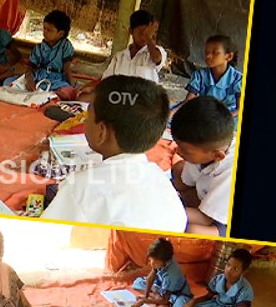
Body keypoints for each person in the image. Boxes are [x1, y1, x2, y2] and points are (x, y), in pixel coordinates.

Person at [40, 76, 186, 231]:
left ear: (102, 132)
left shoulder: (81, 186)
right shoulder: (161, 180)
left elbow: (45, 235)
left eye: (88, 115)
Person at [170, 96, 235, 236]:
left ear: (217, 156)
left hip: (223, 218)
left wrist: (165, 210)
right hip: (208, 194)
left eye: (185, 150)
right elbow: (183, 181)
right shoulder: (208, 149)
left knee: (191, 230)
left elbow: (205, 220)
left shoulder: (230, 174)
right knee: (177, 170)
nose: (177, 151)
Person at [173, 248, 255, 307]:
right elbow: (208, 297)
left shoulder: (245, 290)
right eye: (228, 265)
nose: (229, 270)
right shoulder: (219, 279)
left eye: (235, 269)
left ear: (243, 272)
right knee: (180, 302)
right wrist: (193, 302)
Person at [10, 10, 77, 99]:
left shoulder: (65, 46)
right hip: (39, 77)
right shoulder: (39, 47)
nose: (45, 32)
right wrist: (29, 80)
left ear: (60, 34)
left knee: (67, 92)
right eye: (44, 28)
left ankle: (49, 94)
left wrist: (71, 86)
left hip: (57, 80)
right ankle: (47, 94)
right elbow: (30, 67)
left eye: (49, 30)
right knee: (8, 82)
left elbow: (66, 69)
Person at [100, 9, 167, 83]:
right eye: (141, 33)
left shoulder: (155, 53)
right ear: (131, 31)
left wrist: (148, 38)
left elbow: (156, 58)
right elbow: (105, 81)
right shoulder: (119, 57)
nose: (143, 37)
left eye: (147, 33)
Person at [184, 35, 243, 113]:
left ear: (229, 56)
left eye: (215, 53)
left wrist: (221, 120)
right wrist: (174, 112)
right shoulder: (200, 75)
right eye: (206, 52)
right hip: (206, 112)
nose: (208, 56)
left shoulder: (238, 79)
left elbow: (239, 109)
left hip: (229, 115)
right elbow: (188, 101)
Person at [131, 238, 192, 307]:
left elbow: (165, 300)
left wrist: (143, 301)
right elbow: (150, 278)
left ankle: (157, 298)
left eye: (155, 262)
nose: (152, 264)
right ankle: (155, 296)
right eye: (150, 260)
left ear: (166, 261)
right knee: (138, 282)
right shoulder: (164, 256)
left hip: (175, 294)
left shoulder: (171, 275)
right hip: (163, 287)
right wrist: (145, 297)